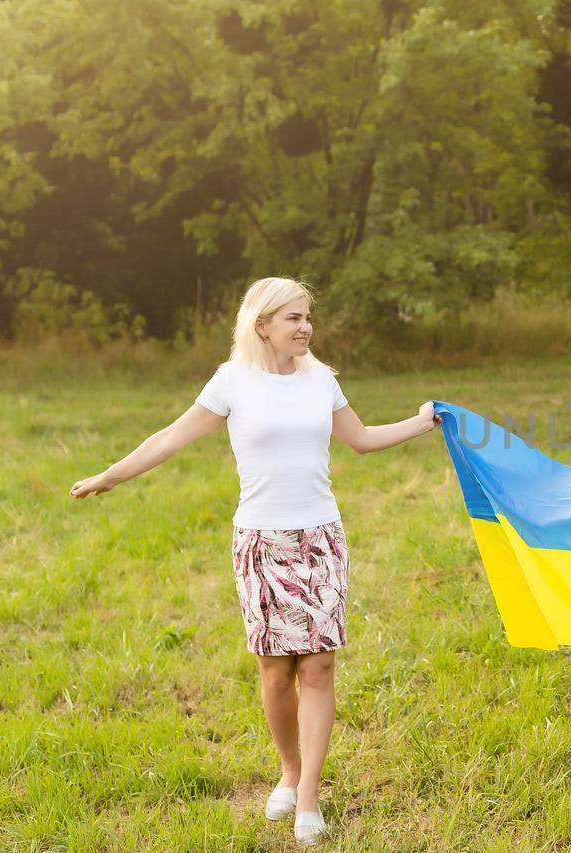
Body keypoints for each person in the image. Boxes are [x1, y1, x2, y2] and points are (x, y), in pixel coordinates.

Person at [69, 277, 440, 845]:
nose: (305, 327)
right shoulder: (232, 382)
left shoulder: (322, 381)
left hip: (320, 540)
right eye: (293, 317)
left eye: (308, 316)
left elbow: (361, 439)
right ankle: (288, 772)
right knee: (276, 672)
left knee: (318, 667)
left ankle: (309, 796)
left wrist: (422, 421)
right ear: (261, 324)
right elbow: (171, 437)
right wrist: (109, 476)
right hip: (262, 543)